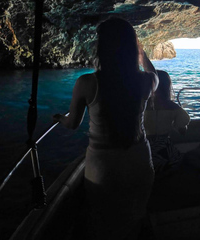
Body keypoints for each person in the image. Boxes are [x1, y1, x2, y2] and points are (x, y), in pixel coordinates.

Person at [53, 17, 158, 240]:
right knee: (135, 219)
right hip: (140, 159)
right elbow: (156, 75)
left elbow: (72, 124)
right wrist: (141, 54)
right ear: (133, 49)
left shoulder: (87, 83)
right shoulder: (146, 81)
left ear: (102, 48)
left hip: (103, 166)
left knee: (104, 225)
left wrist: (60, 118)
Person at [144, 70, 190, 175]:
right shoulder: (173, 107)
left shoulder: (143, 105)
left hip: (146, 149)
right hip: (164, 151)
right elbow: (183, 127)